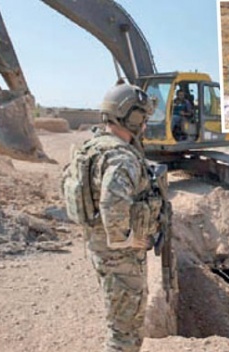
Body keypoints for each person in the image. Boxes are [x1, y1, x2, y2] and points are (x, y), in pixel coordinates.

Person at [63, 82, 163, 351]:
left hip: (100, 247)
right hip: (120, 256)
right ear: (131, 116)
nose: (144, 124)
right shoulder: (121, 156)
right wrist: (130, 241)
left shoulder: (94, 147)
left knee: (120, 324)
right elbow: (112, 205)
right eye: (142, 116)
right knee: (125, 335)